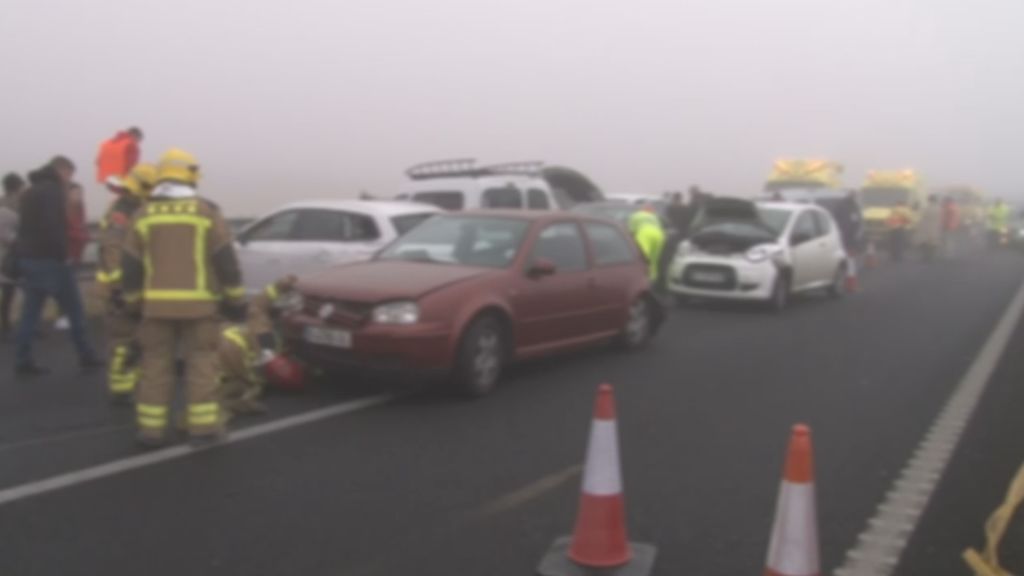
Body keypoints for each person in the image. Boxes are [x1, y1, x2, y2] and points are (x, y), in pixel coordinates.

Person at [121, 148, 246, 447]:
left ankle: (150, 430)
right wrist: (235, 301)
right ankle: (203, 430)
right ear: (191, 176)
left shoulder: (142, 215)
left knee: (154, 365)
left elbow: (131, 267)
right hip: (200, 308)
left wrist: (133, 304)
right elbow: (225, 261)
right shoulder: (206, 212)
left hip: (155, 309)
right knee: (201, 364)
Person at [13, 157, 101, 375]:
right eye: (70, 174)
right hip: (52, 260)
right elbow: (54, 227)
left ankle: (23, 359)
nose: (70, 180)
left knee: (30, 313)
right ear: (62, 170)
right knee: (75, 310)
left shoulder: (31, 191)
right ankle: (86, 355)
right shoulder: (53, 192)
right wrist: (63, 256)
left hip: (29, 258)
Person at [97, 164, 157, 402]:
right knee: (123, 338)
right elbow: (113, 249)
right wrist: (120, 288)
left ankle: (128, 381)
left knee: (134, 336)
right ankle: (122, 386)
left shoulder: (132, 206)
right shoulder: (122, 211)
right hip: (117, 288)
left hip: (127, 285)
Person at [219, 276, 303, 417]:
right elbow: (258, 306)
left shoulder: (263, 330)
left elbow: (257, 305)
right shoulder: (268, 342)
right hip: (226, 357)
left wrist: (278, 287)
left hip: (217, 348)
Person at [1, 173, 25, 337]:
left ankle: (8, 325)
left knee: (11, 292)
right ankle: (6, 326)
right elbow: (6, 234)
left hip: (11, 255)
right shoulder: (8, 207)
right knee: (9, 291)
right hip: (9, 256)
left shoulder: (8, 203)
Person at [629, 205, 666, 283]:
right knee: (654, 258)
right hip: (659, 234)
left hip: (644, 233)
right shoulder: (654, 216)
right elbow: (660, 227)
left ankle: (642, 277)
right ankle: (653, 278)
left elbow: (631, 231)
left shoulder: (635, 215)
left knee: (643, 256)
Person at [916, 195, 943, 261]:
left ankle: (925, 256)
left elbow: (921, 218)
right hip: (935, 227)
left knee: (924, 242)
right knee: (933, 243)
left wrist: (919, 226)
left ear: (929, 200)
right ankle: (931, 256)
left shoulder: (925, 208)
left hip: (925, 226)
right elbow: (941, 218)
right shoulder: (939, 208)